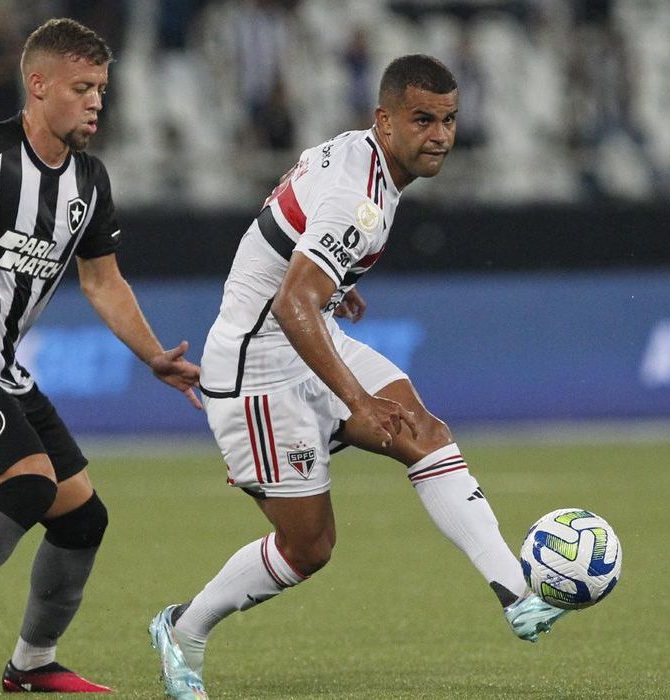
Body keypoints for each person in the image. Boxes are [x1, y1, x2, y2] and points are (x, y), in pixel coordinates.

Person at [148, 54, 570, 699]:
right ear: (386, 119)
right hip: (258, 367)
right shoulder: (361, 197)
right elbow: (292, 303)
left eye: (450, 120)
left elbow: (289, 243)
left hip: (307, 334)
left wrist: (333, 285)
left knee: (424, 433)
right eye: (423, 119)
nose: (441, 135)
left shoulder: (361, 159)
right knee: (308, 547)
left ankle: (515, 593)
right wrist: (356, 399)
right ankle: (183, 629)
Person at [0, 17, 200, 695]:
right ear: (38, 85)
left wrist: (153, 355)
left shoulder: (90, 181)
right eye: (82, 87)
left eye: (101, 87)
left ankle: (32, 663)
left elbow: (103, 280)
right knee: (30, 481)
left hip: (3, 370)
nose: (97, 100)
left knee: (80, 518)